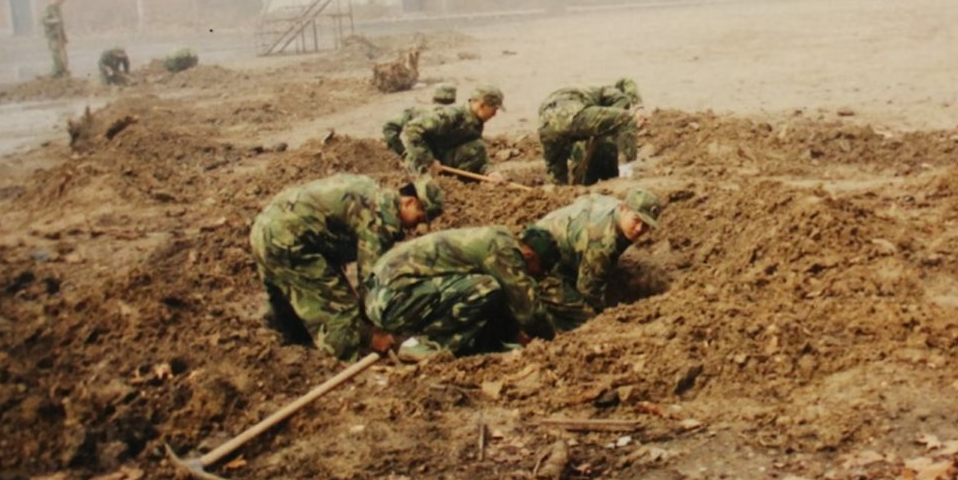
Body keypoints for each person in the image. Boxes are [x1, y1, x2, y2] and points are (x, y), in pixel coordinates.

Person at [251, 174, 444, 360]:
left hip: (265, 228)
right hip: (288, 240)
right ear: (409, 202)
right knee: (338, 313)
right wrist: (374, 333)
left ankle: (285, 343)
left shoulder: (371, 190)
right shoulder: (381, 219)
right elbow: (370, 283)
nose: (417, 228)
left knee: (288, 299)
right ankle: (340, 361)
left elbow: (331, 218)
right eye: (420, 218)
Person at [364, 224, 565, 360]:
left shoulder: (496, 238)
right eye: (541, 270)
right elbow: (527, 310)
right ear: (530, 255)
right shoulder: (504, 250)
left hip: (387, 296)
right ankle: (426, 345)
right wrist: (553, 342)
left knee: (488, 293)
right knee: (486, 288)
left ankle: (475, 347)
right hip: (393, 299)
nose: (538, 276)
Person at [534, 187, 663, 313]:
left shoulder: (616, 208)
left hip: (559, 245)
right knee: (586, 317)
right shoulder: (603, 241)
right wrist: (601, 314)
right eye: (636, 220)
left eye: (646, 225)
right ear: (624, 209)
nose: (639, 229)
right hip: (539, 265)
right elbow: (588, 291)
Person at [537, 79, 649, 186]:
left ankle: (562, 193)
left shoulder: (585, 94)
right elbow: (622, 103)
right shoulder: (608, 93)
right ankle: (626, 174)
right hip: (570, 113)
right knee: (627, 120)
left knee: (557, 179)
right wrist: (638, 108)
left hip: (545, 122)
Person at [399, 84, 506, 181]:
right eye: (494, 109)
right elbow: (412, 129)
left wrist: (490, 171)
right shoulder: (450, 115)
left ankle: (459, 181)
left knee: (477, 147)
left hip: (441, 160)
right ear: (482, 105)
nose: (494, 114)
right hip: (421, 162)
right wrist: (429, 161)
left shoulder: (476, 122)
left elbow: (478, 156)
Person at [381, 85, 457, 156]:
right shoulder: (458, 114)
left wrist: (402, 152)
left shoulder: (415, 112)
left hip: (419, 160)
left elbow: (389, 127)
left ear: (433, 99)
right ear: (454, 100)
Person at [41, 0, 69, 79]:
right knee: (56, 54)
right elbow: (43, 20)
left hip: (59, 35)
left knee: (63, 55)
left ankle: (63, 71)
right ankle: (56, 73)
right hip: (52, 35)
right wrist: (53, 21)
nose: (62, 3)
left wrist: (64, 36)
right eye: (61, 1)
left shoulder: (57, 8)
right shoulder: (48, 8)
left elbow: (61, 24)